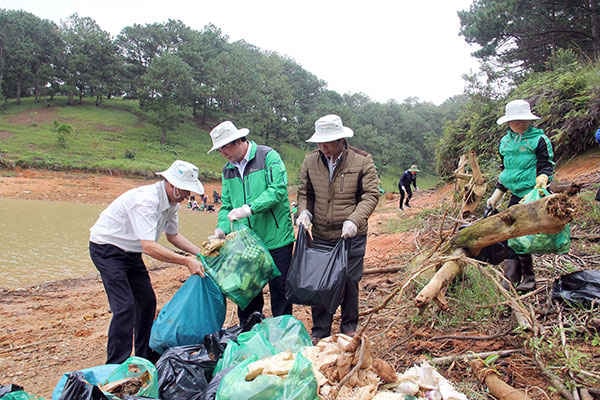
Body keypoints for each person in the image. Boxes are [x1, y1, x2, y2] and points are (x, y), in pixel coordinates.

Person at [89, 160, 206, 364]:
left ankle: (144, 356)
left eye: (190, 191)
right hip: (107, 248)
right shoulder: (147, 201)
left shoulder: (171, 203)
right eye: (185, 190)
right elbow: (149, 247)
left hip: (131, 252)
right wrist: (187, 261)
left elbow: (173, 236)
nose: (188, 196)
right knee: (124, 307)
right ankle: (116, 364)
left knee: (147, 302)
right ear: (171, 184)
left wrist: (202, 253)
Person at [296, 114, 380, 341]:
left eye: (327, 142)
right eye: (319, 143)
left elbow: (371, 195)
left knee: (350, 281)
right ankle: (320, 330)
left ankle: (349, 327)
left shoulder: (362, 160)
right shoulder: (310, 161)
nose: (322, 147)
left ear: (341, 139)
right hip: (323, 233)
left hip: (352, 234)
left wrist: (354, 220)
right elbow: (305, 193)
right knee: (321, 281)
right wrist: (304, 211)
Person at [208, 120, 295, 322]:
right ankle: (251, 334)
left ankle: (283, 333)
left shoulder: (268, 157)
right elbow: (227, 204)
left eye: (225, 147)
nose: (223, 153)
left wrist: (250, 208)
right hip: (247, 242)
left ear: (238, 141)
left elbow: (278, 190)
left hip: (276, 237)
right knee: (248, 292)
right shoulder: (228, 170)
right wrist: (221, 227)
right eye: (220, 149)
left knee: (280, 291)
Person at [486, 99, 555, 292]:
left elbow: (546, 164)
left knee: (522, 234)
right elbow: (506, 171)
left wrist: (543, 176)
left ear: (529, 120)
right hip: (516, 193)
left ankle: (528, 276)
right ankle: (512, 274)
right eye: (515, 120)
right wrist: (496, 196)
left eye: (523, 120)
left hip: (532, 193)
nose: (519, 123)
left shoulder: (539, 140)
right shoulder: (505, 142)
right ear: (508, 122)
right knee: (510, 232)